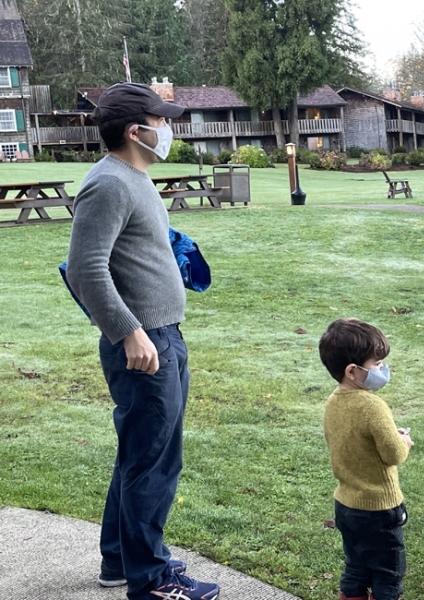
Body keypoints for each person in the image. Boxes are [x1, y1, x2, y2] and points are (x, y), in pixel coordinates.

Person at [66, 82, 219, 600]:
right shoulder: (108, 183)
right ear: (137, 131)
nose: (168, 129)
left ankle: (119, 561)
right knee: (153, 462)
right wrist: (129, 333)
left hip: (163, 336)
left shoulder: (136, 177)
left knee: (142, 455)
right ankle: (150, 579)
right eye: (162, 120)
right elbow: (87, 270)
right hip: (144, 344)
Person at [319, 318, 414, 600]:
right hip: (379, 508)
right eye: (376, 365)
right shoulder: (373, 406)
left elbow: (353, 440)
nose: (381, 370)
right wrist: (404, 441)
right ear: (352, 371)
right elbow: (393, 454)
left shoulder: (333, 401)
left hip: (346, 505)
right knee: (388, 573)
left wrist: (386, 436)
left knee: (356, 567)